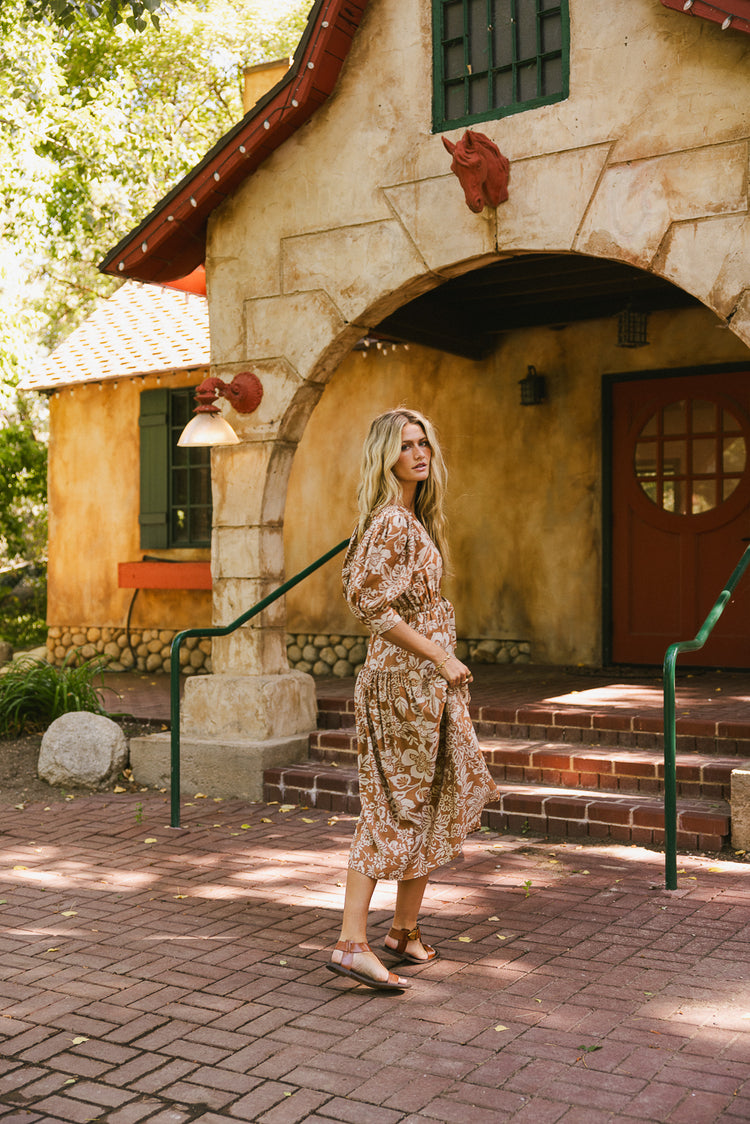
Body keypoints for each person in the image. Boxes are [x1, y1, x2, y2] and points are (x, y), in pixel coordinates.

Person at [327, 407, 500, 993]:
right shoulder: (391, 523)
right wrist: (440, 656)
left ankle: (402, 931)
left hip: (424, 684)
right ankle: (352, 943)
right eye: (405, 446)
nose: (419, 454)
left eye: (424, 442)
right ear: (385, 456)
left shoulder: (407, 518)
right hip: (404, 683)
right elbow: (371, 609)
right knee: (394, 806)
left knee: (426, 797)